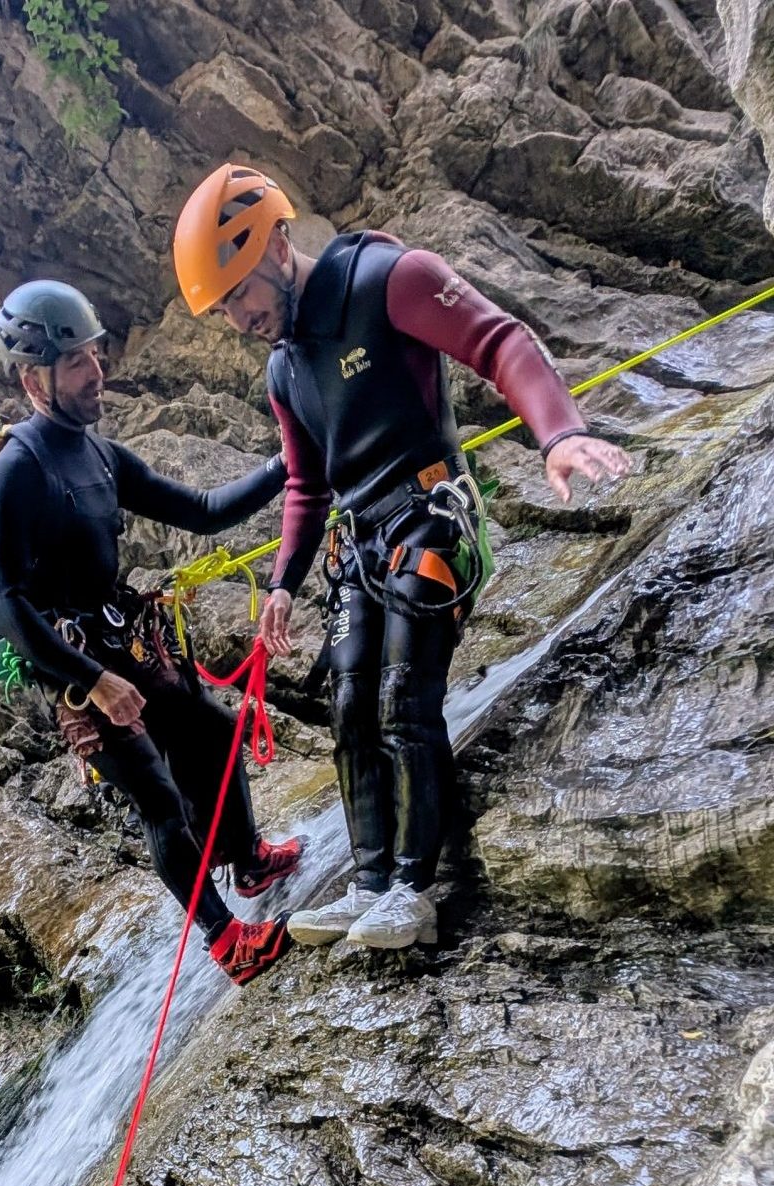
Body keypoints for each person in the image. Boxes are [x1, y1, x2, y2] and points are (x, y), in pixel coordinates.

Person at [172, 163, 632, 950]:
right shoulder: (284, 369)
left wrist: (559, 433)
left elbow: (499, 340)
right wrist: (282, 584)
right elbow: (308, 485)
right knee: (349, 706)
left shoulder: (388, 276)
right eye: (224, 308)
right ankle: (371, 879)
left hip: (432, 518)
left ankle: (414, 891)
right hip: (362, 544)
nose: (239, 316)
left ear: (277, 245)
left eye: (241, 291)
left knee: (399, 698)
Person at [0, 279, 304, 984]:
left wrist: (291, 463)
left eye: (96, 356)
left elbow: (203, 510)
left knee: (216, 734)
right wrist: (92, 683)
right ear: (33, 377)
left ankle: (247, 861)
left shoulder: (99, 454)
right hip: (78, 673)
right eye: (77, 364)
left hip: (124, 642)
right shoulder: (16, 470)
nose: (97, 373)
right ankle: (226, 942)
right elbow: (7, 604)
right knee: (158, 795)